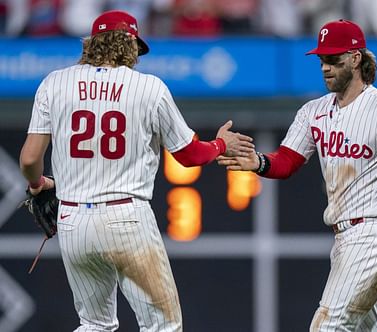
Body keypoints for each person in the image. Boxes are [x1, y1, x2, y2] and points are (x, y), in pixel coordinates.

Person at [19, 10, 253, 332]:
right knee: (163, 326)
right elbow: (188, 155)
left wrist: (37, 185)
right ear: (130, 45)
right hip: (126, 218)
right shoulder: (148, 88)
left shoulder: (54, 83)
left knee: (94, 325)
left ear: (91, 44)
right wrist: (220, 145)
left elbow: (30, 159)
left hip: (73, 221)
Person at [218, 19, 377, 331]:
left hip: (376, 233)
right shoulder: (313, 111)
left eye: (333, 60)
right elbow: (288, 161)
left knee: (327, 326)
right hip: (347, 238)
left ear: (356, 58)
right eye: (322, 60)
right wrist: (259, 162)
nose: (325, 68)